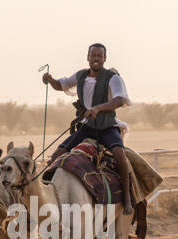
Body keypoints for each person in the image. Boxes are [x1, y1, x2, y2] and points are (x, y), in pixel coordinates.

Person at [42, 43, 133, 214]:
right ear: (88, 57)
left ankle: (127, 198)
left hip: (107, 126)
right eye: (93, 56)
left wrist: (98, 108)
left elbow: (120, 100)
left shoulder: (113, 78)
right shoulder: (81, 75)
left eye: (99, 56)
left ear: (104, 58)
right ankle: (47, 197)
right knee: (57, 154)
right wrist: (50, 80)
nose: (96, 59)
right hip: (87, 126)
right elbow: (61, 85)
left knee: (120, 156)